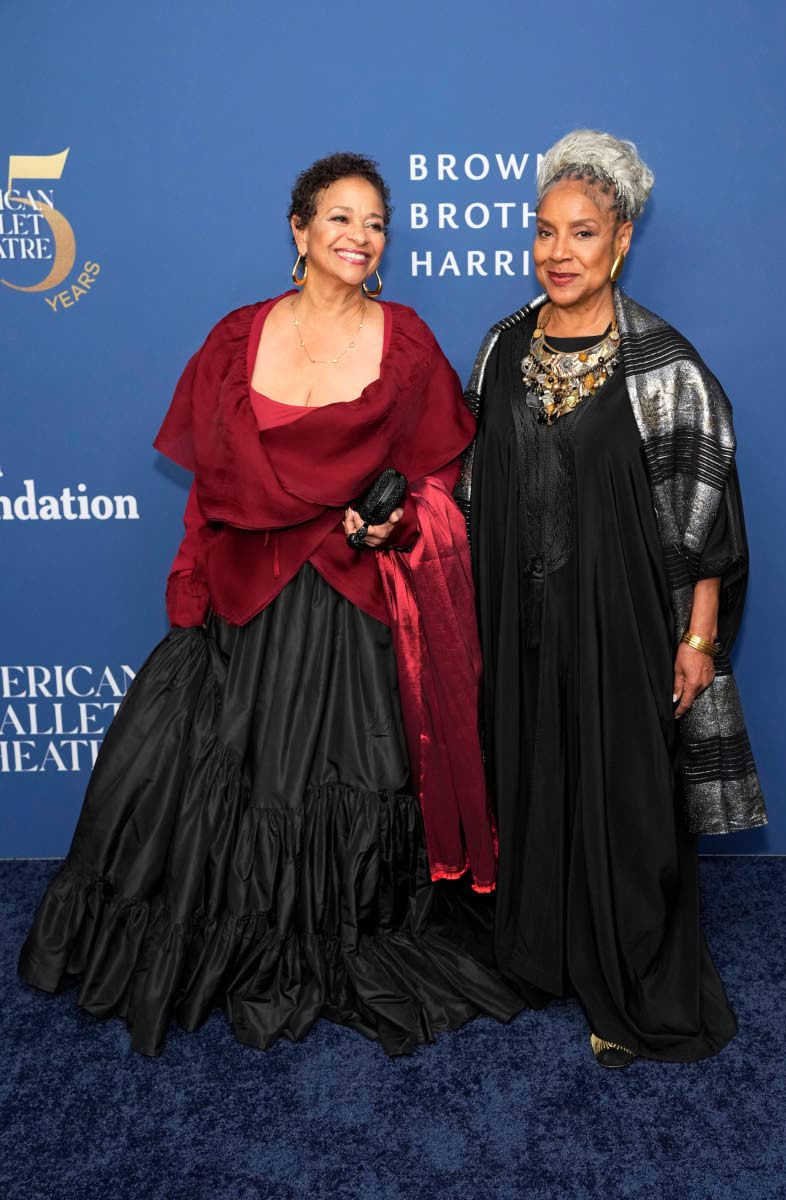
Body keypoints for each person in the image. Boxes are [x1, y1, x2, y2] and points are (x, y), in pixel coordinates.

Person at [19, 152, 521, 1058]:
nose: (359, 237)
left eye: (375, 223)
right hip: (248, 602)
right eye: (339, 218)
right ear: (299, 230)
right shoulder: (232, 342)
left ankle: (343, 938)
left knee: (358, 783)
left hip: (356, 607)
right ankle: (231, 945)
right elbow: (207, 490)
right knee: (217, 785)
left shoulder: (406, 345)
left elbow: (441, 471)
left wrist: (397, 518)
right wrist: (188, 583)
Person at [457, 130, 766, 1068]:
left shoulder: (666, 367)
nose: (558, 252)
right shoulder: (502, 348)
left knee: (625, 798)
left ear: (621, 240)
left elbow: (705, 517)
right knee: (531, 779)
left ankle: (628, 979)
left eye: (581, 233)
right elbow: (475, 493)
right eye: (544, 232)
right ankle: (541, 954)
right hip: (520, 623)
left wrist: (699, 642)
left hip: (626, 628)